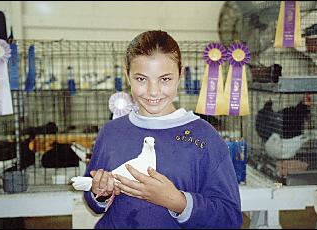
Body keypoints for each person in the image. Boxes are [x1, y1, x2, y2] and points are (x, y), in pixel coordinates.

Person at [84, 30, 243, 229]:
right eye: (141, 79)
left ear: (180, 75)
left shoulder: (204, 137)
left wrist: (177, 201)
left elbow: (229, 218)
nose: (153, 91)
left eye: (165, 79)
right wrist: (100, 193)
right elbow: (92, 197)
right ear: (127, 75)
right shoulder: (111, 132)